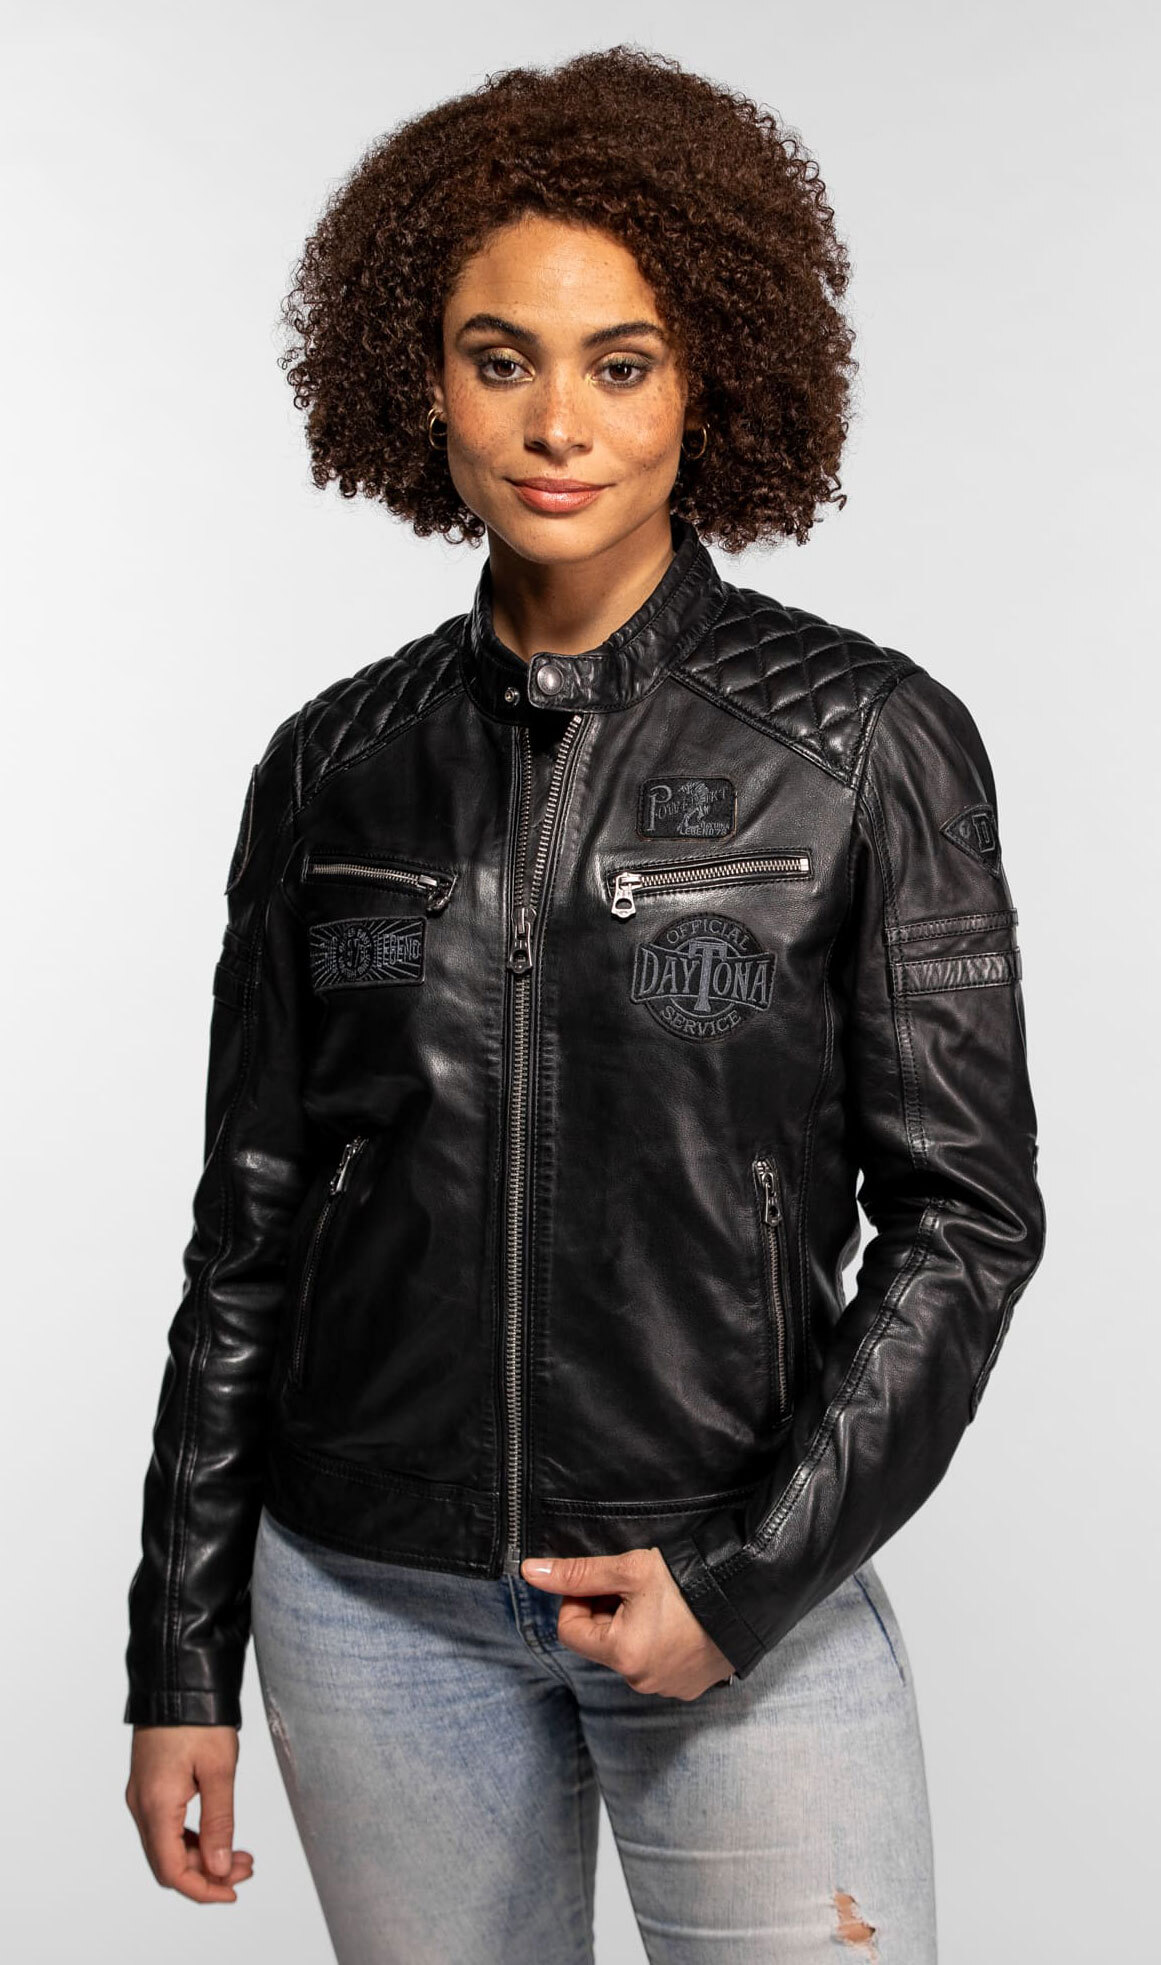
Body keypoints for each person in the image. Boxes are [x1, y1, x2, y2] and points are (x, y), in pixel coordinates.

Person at [123, 45, 1046, 1963]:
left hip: (725, 1586)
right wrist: (180, 1652)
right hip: (368, 1602)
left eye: (621, 364)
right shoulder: (333, 767)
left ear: (709, 381)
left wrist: (746, 1573)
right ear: (422, 381)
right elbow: (251, 1230)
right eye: (501, 359)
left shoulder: (864, 743)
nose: (558, 423)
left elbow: (964, 1220)